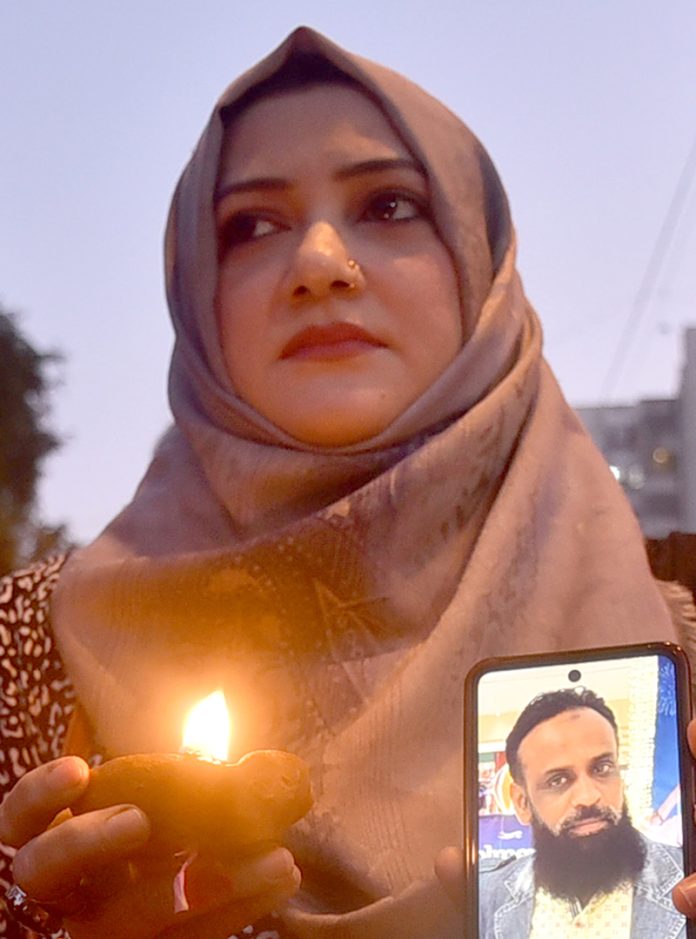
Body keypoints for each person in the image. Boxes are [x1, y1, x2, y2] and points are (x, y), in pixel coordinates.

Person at [0, 24, 695, 939]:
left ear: (479, 266)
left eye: (391, 206)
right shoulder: (26, 656)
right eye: (251, 225)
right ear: (198, 299)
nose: (321, 265)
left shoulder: (678, 657)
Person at [478, 689, 686, 937]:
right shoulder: (484, 896)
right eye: (558, 780)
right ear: (522, 803)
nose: (589, 797)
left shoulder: (687, 882)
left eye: (602, 768)